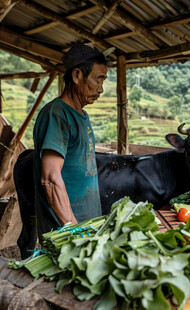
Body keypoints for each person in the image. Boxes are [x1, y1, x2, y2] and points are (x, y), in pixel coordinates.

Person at [33, 43, 114, 239]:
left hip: (86, 224)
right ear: (77, 76)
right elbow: (50, 178)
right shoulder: (57, 115)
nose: (101, 89)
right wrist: (73, 229)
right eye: (98, 80)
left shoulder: (81, 115)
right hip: (66, 231)